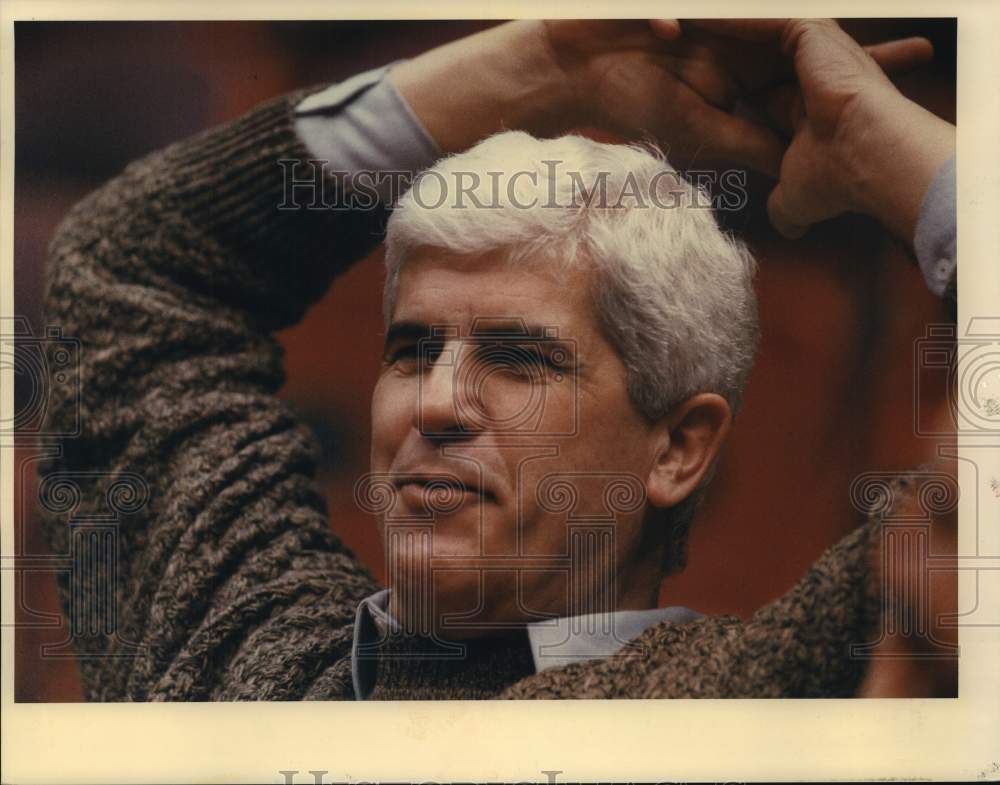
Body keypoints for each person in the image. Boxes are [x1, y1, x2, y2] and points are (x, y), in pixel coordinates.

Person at [39, 19, 956, 700]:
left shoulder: (768, 694)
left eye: (520, 360)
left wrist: (892, 155)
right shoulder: (237, 655)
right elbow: (128, 270)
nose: (435, 404)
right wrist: (551, 66)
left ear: (677, 447)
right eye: (411, 349)